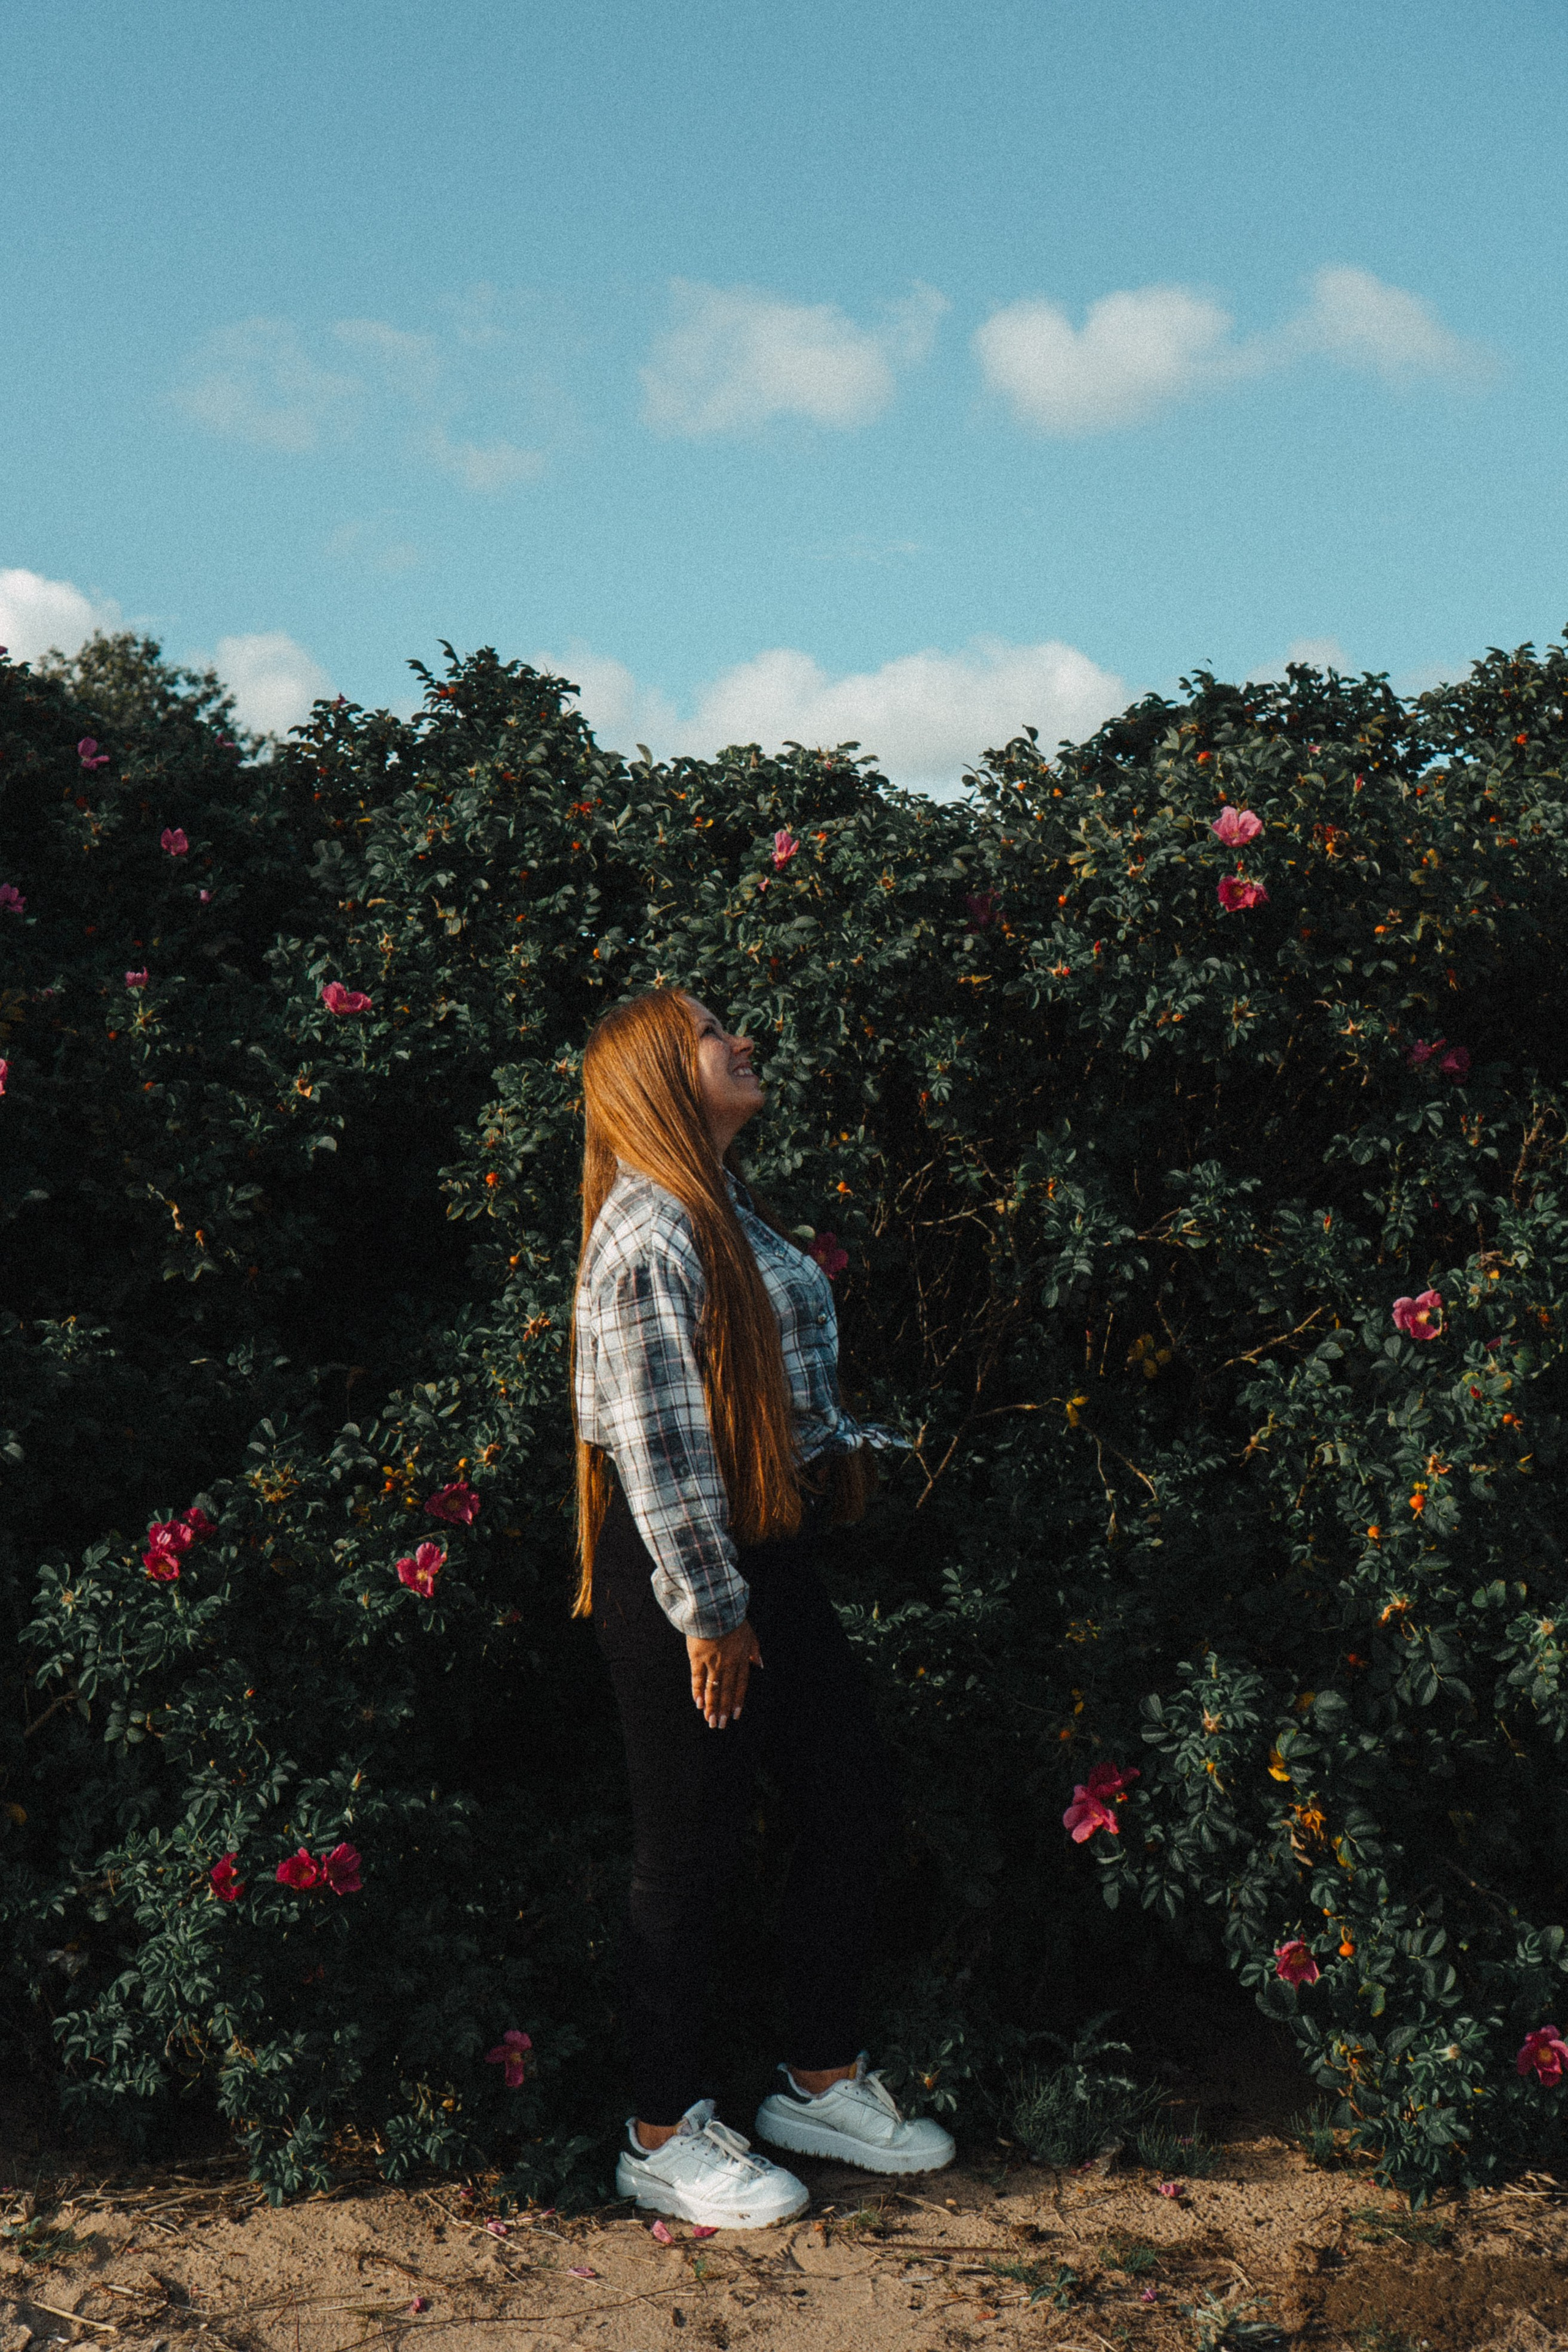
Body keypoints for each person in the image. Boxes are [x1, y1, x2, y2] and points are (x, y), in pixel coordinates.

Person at [572, 987, 955, 2228]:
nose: (741, 1041)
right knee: (687, 1852)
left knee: (850, 1802)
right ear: (656, 1075)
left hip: (762, 1555)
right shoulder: (648, 1235)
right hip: (683, 1574)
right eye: (709, 1030)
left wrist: (845, 1450)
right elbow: (660, 1451)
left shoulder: (720, 1206)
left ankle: (818, 2081)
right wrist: (710, 1611)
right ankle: (657, 2132)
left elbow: (772, 1387)